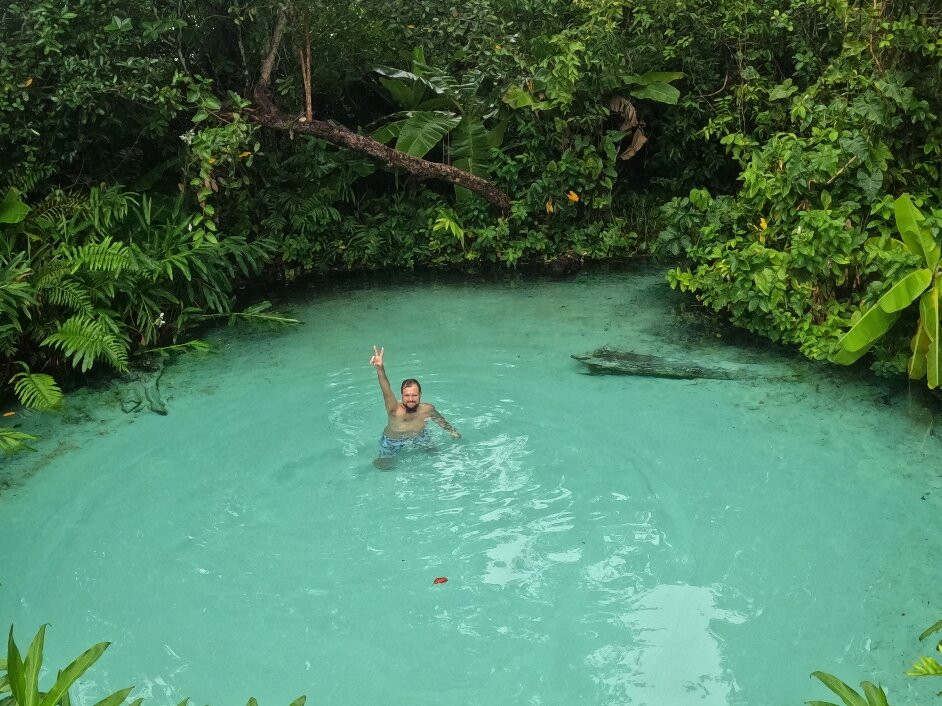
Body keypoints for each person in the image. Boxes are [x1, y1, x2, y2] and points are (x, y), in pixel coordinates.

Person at [370, 345, 460, 469]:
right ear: (401, 396)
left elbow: (440, 420)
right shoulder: (394, 410)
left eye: (414, 395)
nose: (411, 399)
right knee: (383, 467)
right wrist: (380, 370)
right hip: (393, 441)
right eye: (407, 395)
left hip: (420, 436)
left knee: (436, 455)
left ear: (420, 395)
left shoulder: (427, 409)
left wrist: (452, 431)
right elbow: (386, 389)